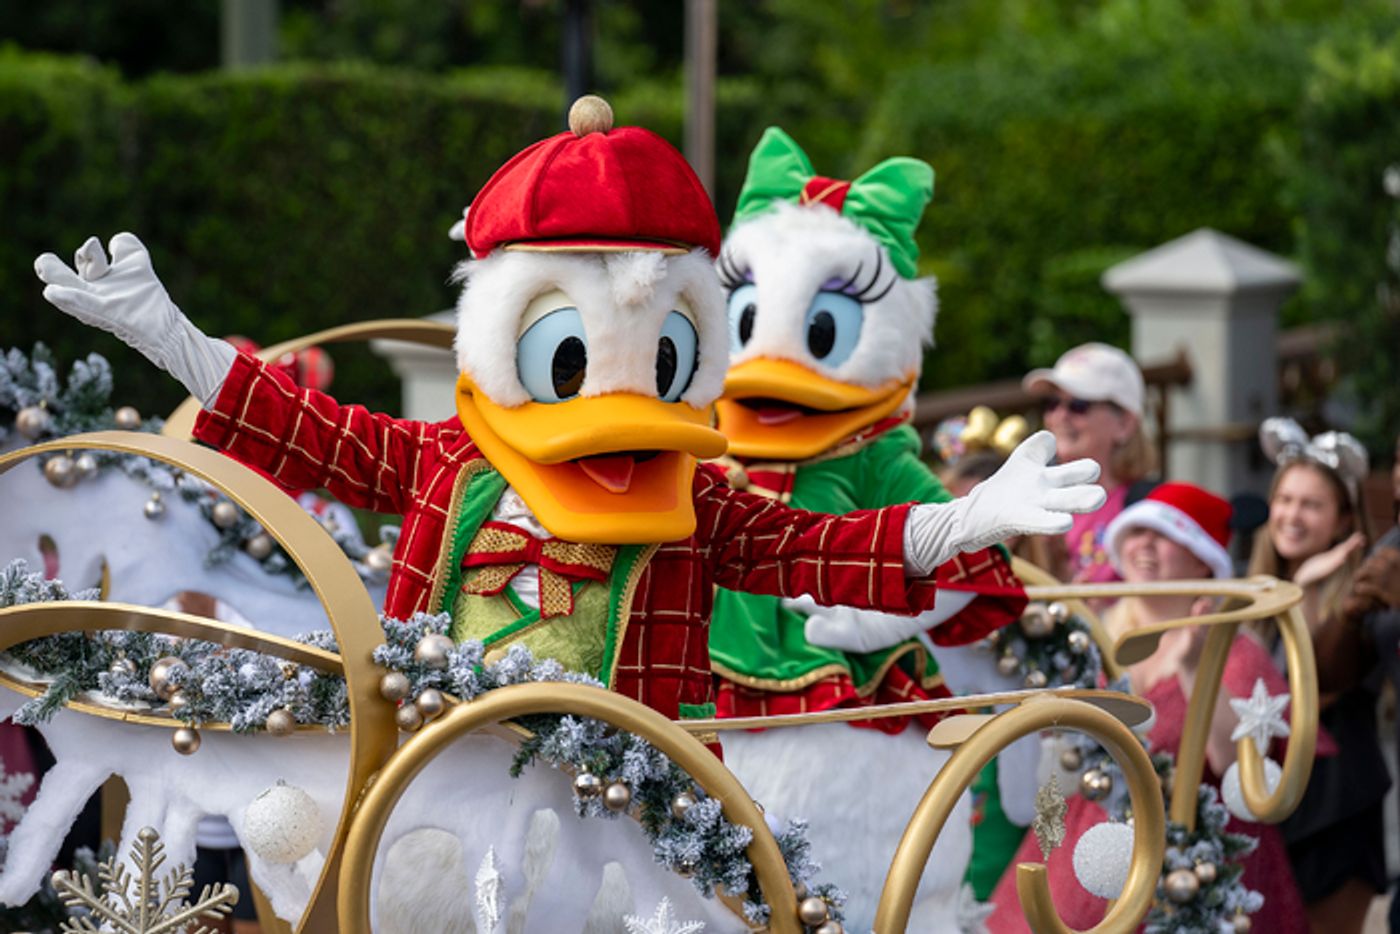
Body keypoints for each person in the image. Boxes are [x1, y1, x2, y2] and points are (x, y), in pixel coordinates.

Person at [986, 482, 1308, 932]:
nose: (1145, 545)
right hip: (1090, 845)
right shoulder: (1094, 635)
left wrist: (1195, 668)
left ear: (1201, 559)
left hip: (1195, 866)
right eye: (1136, 532)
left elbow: (1236, 765)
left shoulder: (1235, 648)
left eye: (1164, 535)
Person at [1251, 418, 1391, 934]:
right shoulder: (1253, 592)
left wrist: (1306, 595)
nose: (1292, 515)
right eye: (1284, 499)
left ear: (1343, 519)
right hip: (1266, 802)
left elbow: (1309, 693)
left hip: (1335, 806)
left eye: (1311, 504)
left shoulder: (1367, 597)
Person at [1023, 343, 1154, 585]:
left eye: (1079, 405)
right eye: (1052, 403)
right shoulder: (1032, 497)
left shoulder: (1149, 510)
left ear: (1124, 423)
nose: (1059, 416)